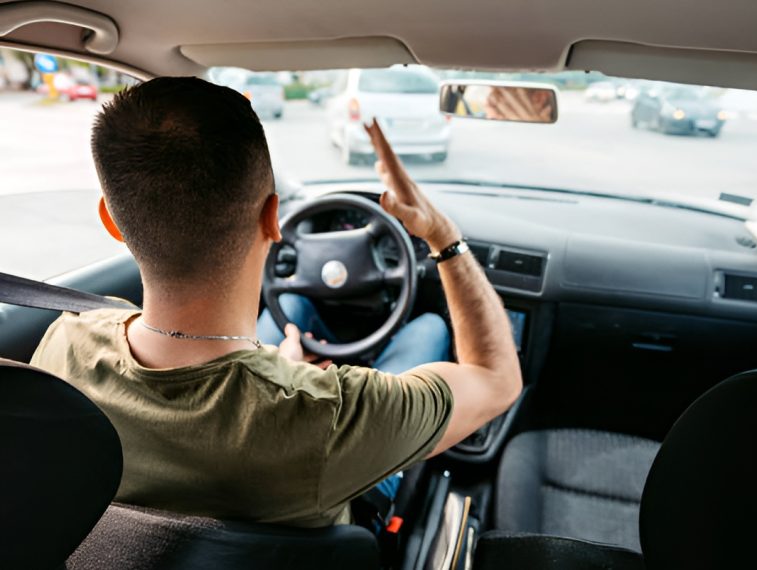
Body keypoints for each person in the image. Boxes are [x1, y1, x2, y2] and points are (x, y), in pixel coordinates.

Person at [30, 77, 522, 528]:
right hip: (338, 485)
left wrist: (278, 370)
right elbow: (496, 379)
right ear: (273, 218)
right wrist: (443, 236)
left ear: (112, 221)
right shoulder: (326, 416)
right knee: (428, 329)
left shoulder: (66, 341)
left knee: (295, 316)